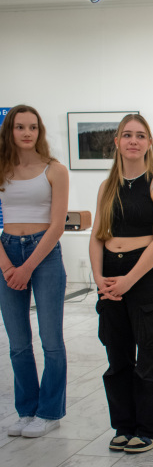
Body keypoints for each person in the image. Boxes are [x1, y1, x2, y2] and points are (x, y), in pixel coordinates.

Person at [89, 113, 153, 454]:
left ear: (149, 143)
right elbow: (97, 236)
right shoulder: (107, 186)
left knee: (150, 358)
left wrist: (128, 281)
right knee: (117, 358)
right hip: (110, 276)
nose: (133, 140)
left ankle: (150, 429)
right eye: (127, 135)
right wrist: (99, 279)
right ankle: (124, 426)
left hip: (145, 277)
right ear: (117, 142)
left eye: (140, 135)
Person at [0, 105, 69, 438]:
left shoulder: (55, 170)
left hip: (44, 254)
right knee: (17, 343)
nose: (26, 133)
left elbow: (57, 226)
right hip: (7, 251)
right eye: (19, 127)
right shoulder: (1, 168)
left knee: (51, 340)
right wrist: (8, 267)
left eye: (32, 127)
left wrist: (26, 268)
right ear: (9, 131)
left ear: (40, 132)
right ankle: (26, 411)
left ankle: (50, 412)